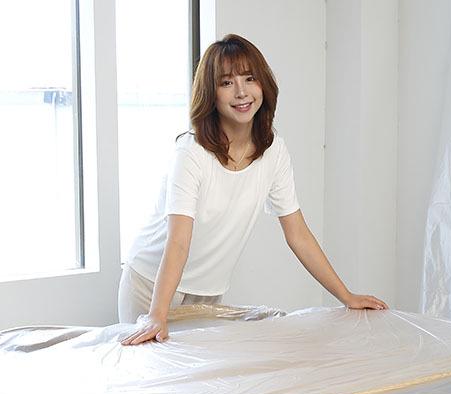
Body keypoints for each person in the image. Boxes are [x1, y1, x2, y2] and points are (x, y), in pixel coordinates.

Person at [119, 33, 387, 346]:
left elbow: (298, 234)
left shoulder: (273, 151)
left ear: (264, 85)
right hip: (151, 286)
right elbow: (179, 241)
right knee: (153, 372)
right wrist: (156, 314)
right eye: (226, 82)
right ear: (211, 94)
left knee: (202, 375)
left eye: (250, 78)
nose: (241, 92)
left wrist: (346, 296)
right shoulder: (191, 152)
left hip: (208, 291)